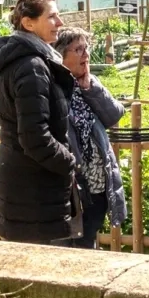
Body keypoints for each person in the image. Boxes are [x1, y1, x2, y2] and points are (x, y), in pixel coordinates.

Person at [0, 0, 78, 244]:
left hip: (29, 186)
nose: (60, 23)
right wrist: (70, 162)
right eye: (51, 17)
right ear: (28, 23)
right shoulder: (31, 67)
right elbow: (35, 138)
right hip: (33, 193)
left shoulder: (35, 60)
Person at [53, 27, 127, 249]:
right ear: (60, 56)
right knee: (71, 244)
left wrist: (91, 89)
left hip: (98, 183)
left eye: (86, 48)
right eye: (78, 50)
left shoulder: (88, 82)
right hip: (74, 184)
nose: (86, 55)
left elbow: (114, 115)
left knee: (87, 238)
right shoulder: (54, 87)